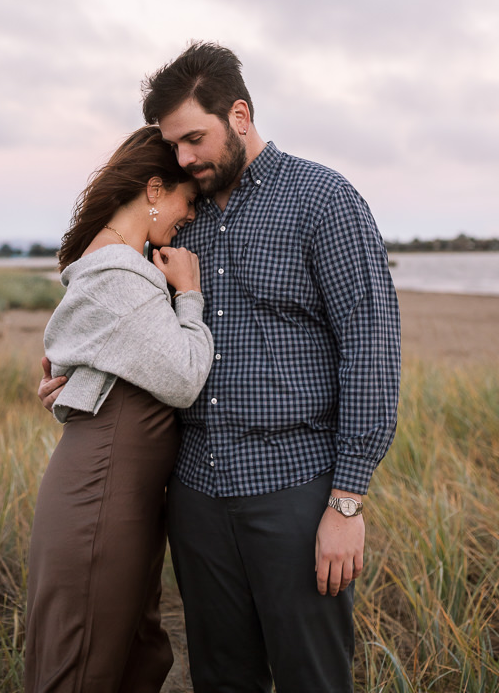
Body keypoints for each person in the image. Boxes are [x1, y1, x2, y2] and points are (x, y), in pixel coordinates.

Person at [40, 43, 401, 693]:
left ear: (239, 114)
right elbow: (117, 304)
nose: (184, 159)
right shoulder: (181, 218)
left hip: (294, 488)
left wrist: (346, 504)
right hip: (195, 495)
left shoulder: (324, 200)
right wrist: (81, 370)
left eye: (194, 139)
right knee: (221, 679)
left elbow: (371, 345)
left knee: (312, 679)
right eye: (173, 145)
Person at [25, 125, 214, 693]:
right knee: (85, 663)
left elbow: (95, 354)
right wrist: (191, 294)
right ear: (154, 190)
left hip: (118, 489)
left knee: (132, 652)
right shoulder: (120, 272)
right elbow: (183, 378)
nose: (192, 215)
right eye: (188, 199)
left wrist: (77, 383)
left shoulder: (122, 267)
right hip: (102, 494)